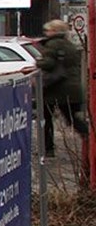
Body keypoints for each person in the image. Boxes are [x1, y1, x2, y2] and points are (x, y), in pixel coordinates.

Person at [37, 19, 89, 156]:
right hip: (71, 88)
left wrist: (38, 62)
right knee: (72, 118)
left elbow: (48, 63)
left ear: (54, 31)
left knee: (45, 118)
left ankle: (47, 149)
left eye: (47, 30)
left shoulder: (53, 44)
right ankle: (89, 137)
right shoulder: (70, 45)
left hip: (55, 88)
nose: (46, 33)